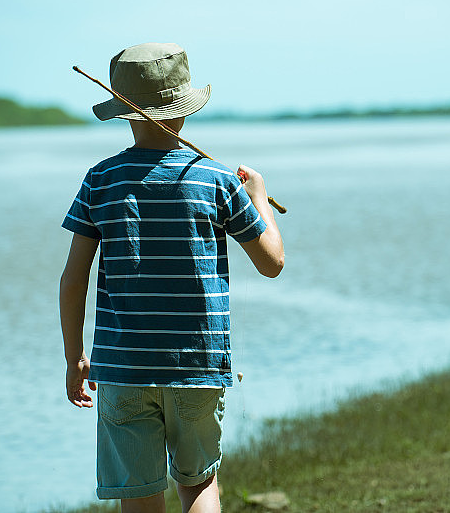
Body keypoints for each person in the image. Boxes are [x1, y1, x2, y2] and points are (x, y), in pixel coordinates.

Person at [59, 42, 284, 513]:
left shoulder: (101, 180)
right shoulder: (217, 181)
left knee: (139, 495)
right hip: (196, 367)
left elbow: (74, 277)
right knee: (198, 485)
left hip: (123, 368)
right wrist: (258, 195)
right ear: (183, 110)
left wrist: (74, 356)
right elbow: (272, 262)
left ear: (124, 112)